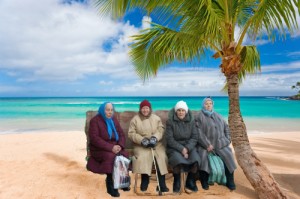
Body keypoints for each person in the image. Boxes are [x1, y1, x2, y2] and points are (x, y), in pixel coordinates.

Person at [87, 102, 130, 197]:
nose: (110, 112)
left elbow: (121, 134)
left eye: (111, 110)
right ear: (103, 110)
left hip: (114, 146)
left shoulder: (113, 119)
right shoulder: (95, 121)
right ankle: (110, 184)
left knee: (124, 155)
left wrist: (120, 145)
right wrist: (111, 148)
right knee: (111, 157)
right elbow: (95, 139)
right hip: (99, 148)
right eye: (107, 110)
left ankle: (123, 181)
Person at [195, 97, 237, 191]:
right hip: (205, 145)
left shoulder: (218, 116)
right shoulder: (199, 116)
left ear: (213, 105)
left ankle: (230, 180)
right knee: (203, 158)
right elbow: (198, 132)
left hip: (220, 144)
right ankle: (204, 180)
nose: (208, 105)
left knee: (229, 155)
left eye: (210, 103)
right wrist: (207, 145)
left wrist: (227, 140)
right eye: (206, 104)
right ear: (203, 105)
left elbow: (226, 128)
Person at [128, 100, 169, 192]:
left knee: (162, 157)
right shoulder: (135, 119)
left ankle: (161, 184)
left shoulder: (156, 118)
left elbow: (160, 129)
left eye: (147, 108)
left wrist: (155, 138)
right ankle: (144, 181)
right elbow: (131, 133)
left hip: (156, 144)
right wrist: (142, 140)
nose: (145, 110)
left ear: (150, 109)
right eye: (143, 108)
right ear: (140, 109)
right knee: (143, 157)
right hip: (141, 146)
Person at [165, 100, 201, 193]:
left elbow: (194, 137)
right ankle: (176, 182)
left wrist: (187, 148)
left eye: (183, 110)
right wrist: (181, 149)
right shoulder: (170, 122)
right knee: (177, 160)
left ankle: (190, 181)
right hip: (174, 147)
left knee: (196, 159)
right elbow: (169, 139)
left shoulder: (191, 121)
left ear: (186, 111)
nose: (181, 112)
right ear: (176, 111)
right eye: (179, 110)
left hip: (189, 146)